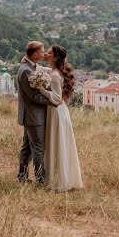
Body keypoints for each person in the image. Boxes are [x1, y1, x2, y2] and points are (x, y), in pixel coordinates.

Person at [36, 45, 84, 192]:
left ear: (55, 57)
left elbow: (56, 99)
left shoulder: (56, 76)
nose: (45, 54)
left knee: (57, 143)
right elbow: (47, 71)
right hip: (61, 111)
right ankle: (64, 176)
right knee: (61, 143)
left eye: (48, 53)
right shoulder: (55, 71)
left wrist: (42, 90)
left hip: (56, 111)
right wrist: (36, 66)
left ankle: (59, 181)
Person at [16, 41, 59, 184]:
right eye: (42, 52)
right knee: (38, 148)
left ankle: (22, 177)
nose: (44, 53)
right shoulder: (26, 70)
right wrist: (53, 101)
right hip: (33, 116)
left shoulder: (29, 66)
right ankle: (41, 180)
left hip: (32, 116)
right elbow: (33, 95)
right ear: (34, 55)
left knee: (27, 147)